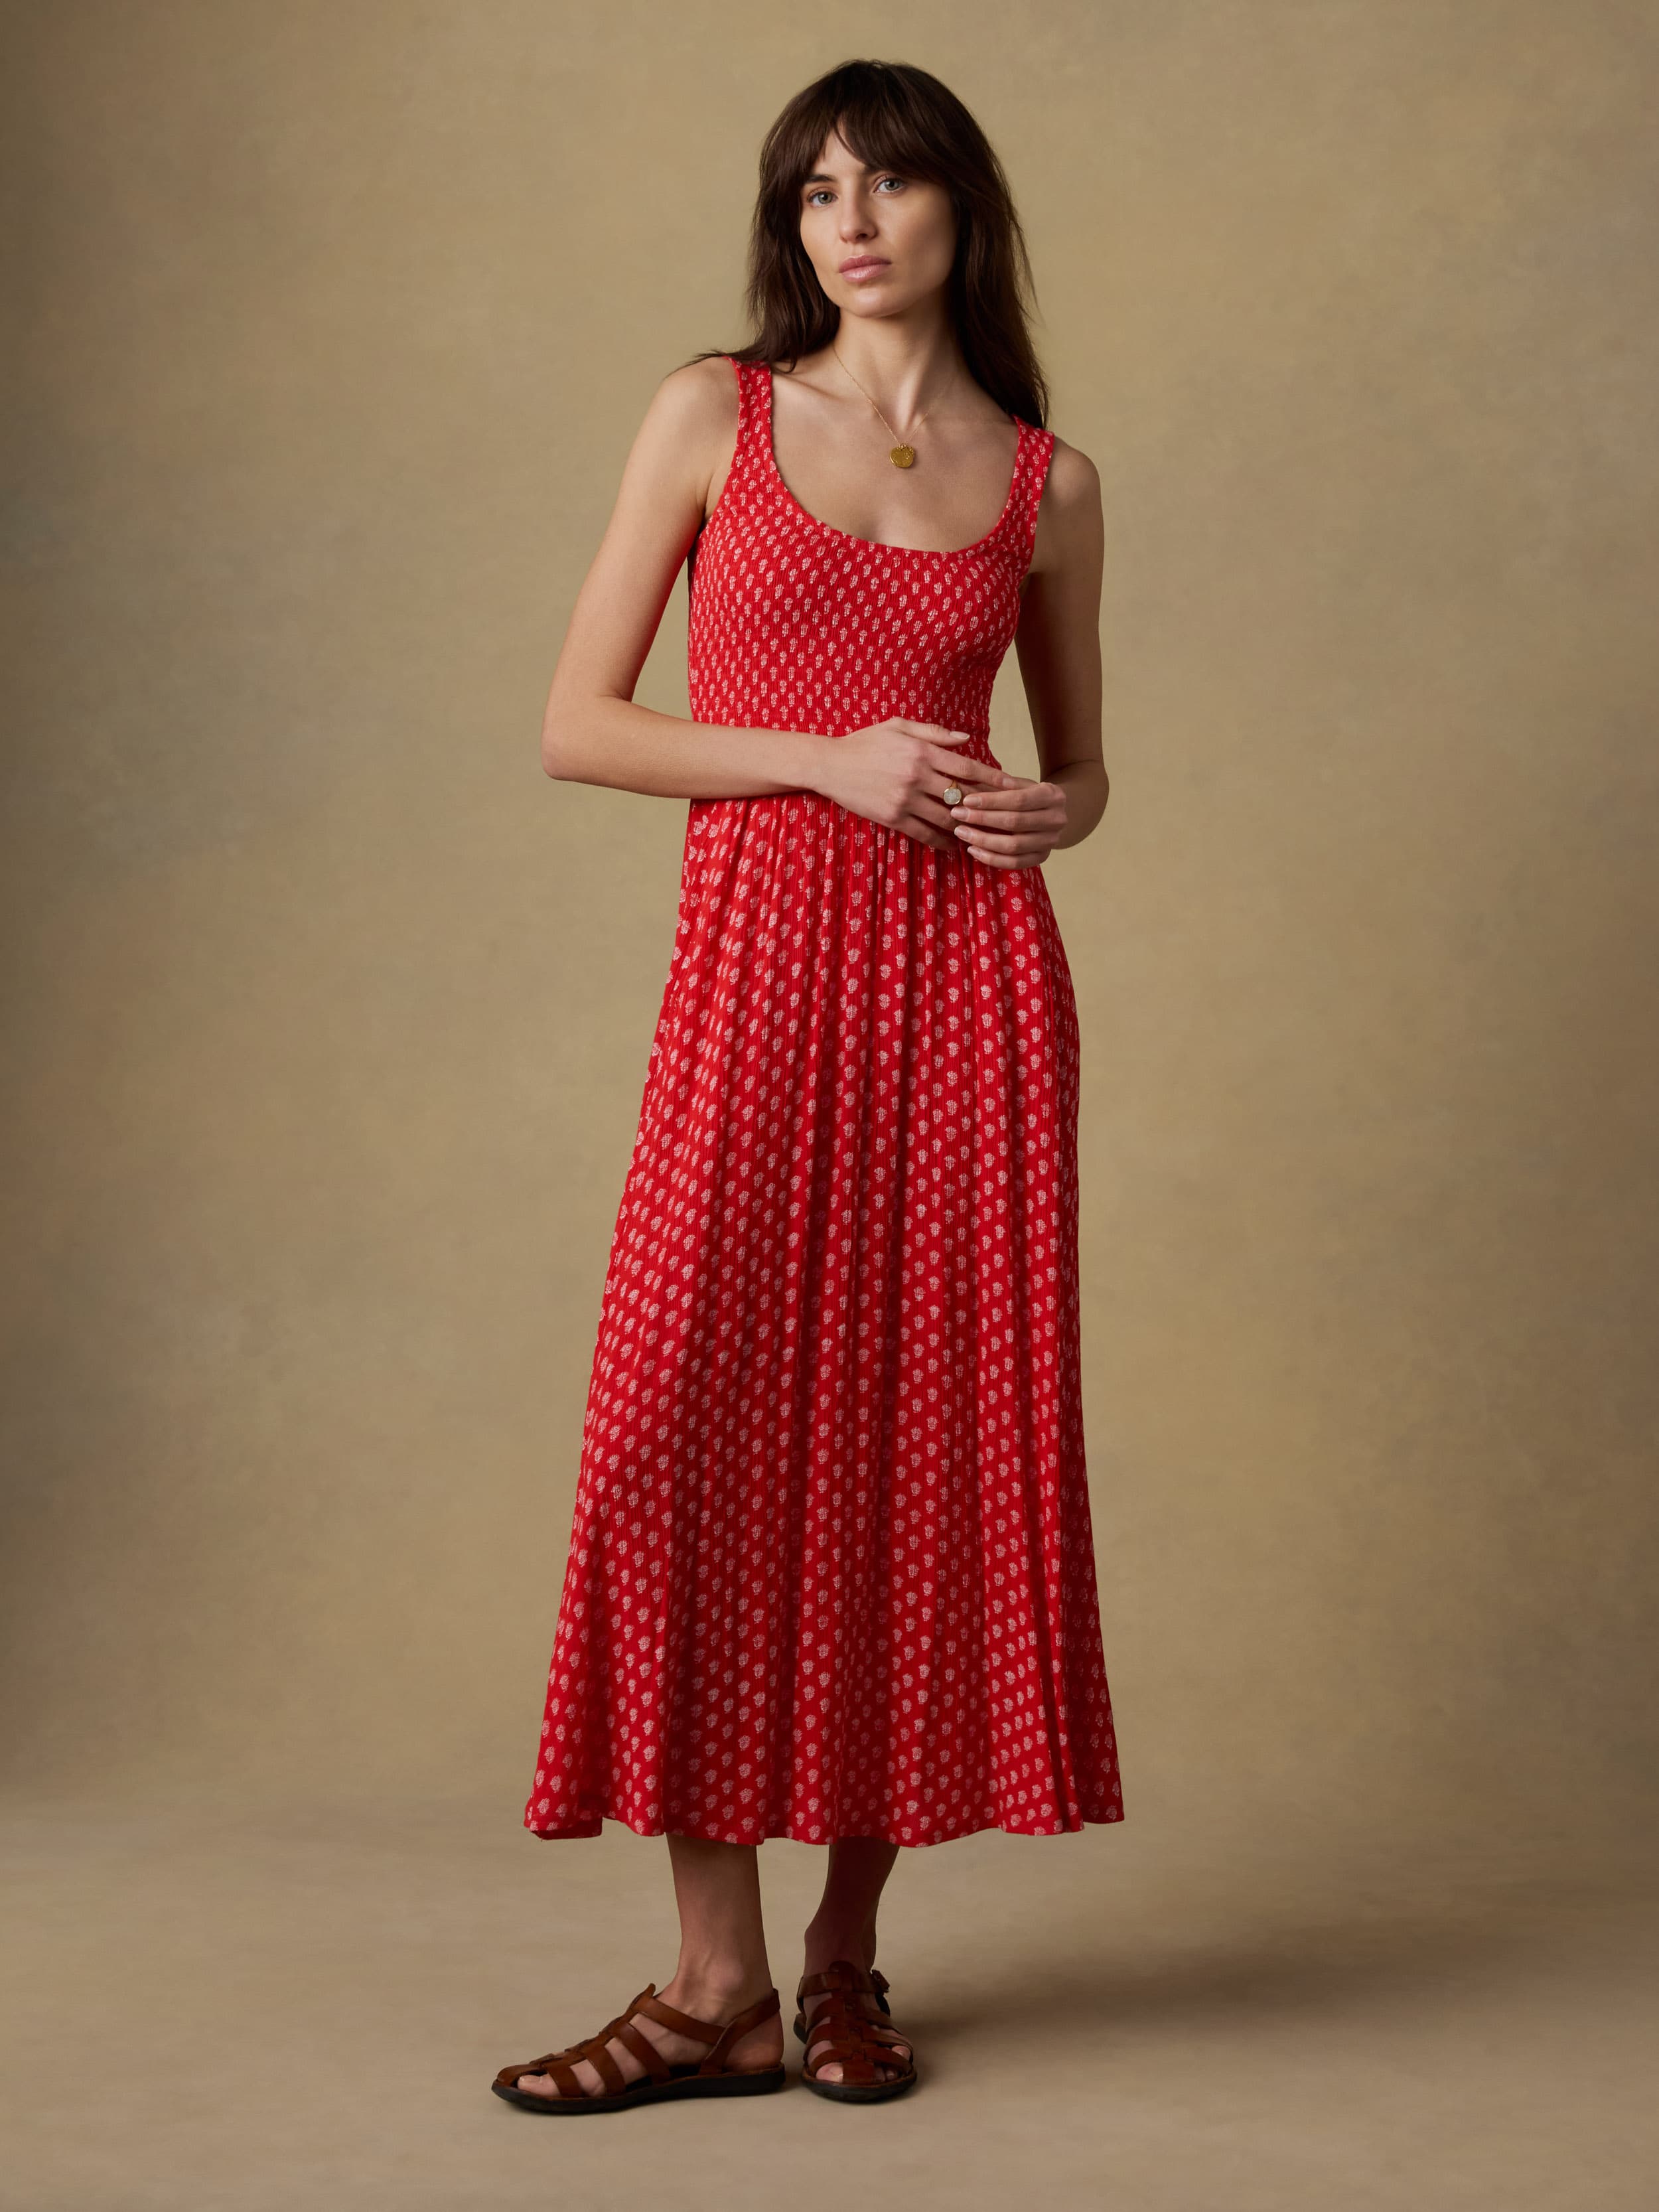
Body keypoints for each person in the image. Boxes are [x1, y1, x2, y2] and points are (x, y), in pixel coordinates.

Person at [492, 56, 1123, 2116]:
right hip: (759, 991)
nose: (848, 220)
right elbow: (581, 724)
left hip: (968, 1003)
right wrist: (823, 758)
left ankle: (841, 1965)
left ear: (961, 210)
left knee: (920, 1466)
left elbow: (1084, 764)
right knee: (683, 1437)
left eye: (890, 182)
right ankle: (709, 1985)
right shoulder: (714, 415)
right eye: (815, 190)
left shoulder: (1046, 481)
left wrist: (1048, 811)